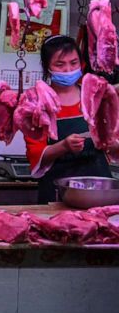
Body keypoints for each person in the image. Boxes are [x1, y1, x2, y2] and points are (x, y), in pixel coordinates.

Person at [24, 34, 114, 203]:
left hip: (99, 191)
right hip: (58, 194)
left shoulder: (95, 98)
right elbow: (36, 157)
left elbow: (114, 150)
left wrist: (111, 142)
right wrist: (63, 146)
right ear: (47, 67)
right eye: (60, 64)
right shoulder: (37, 104)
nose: (68, 70)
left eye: (73, 63)